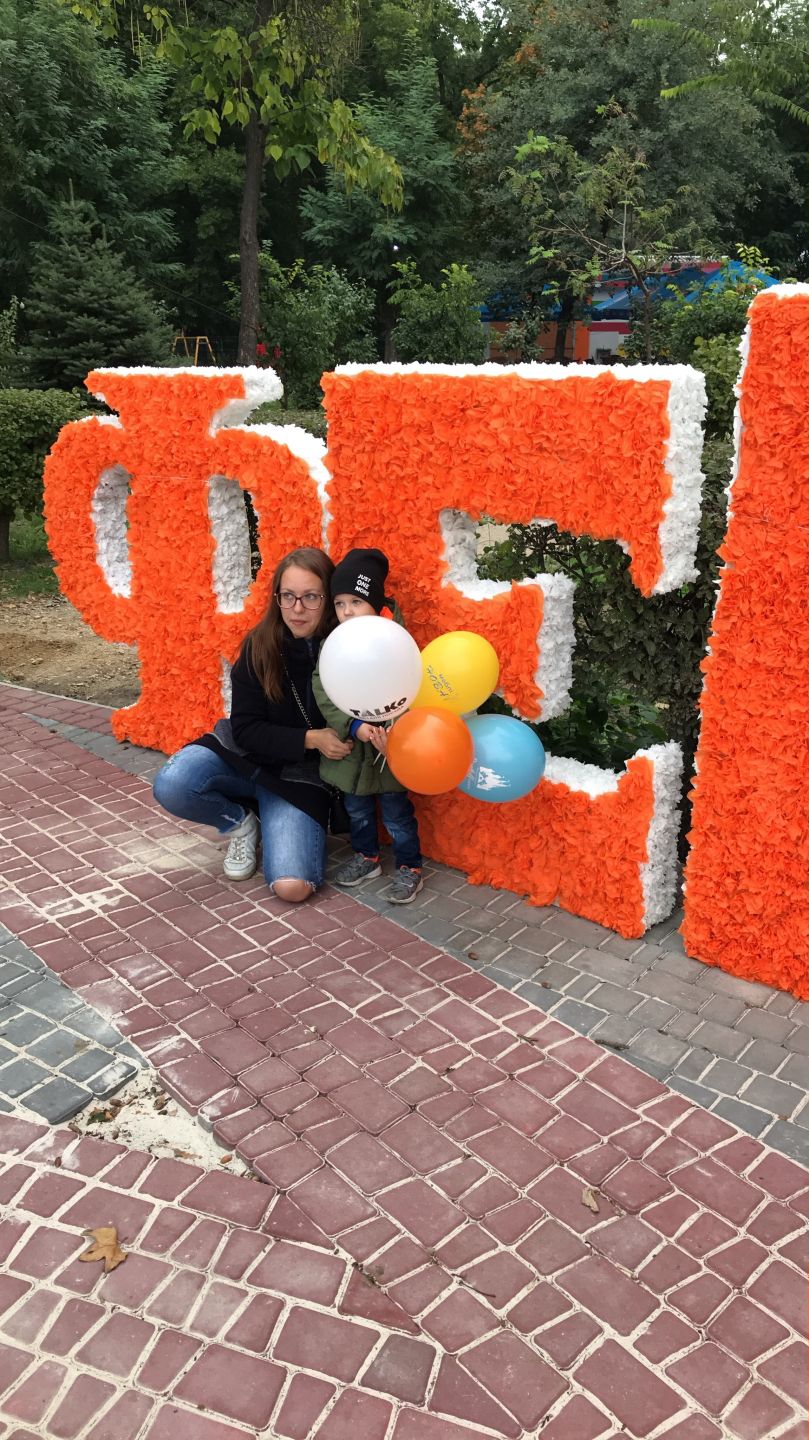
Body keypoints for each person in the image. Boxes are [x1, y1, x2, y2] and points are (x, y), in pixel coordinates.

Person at [153, 547, 351, 903]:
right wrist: (311, 738)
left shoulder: (346, 648)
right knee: (172, 783)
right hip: (244, 757)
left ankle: (272, 820)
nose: (297, 609)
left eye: (310, 597)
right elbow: (245, 730)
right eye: (287, 596)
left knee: (293, 887)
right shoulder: (260, 645)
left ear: (328, 599)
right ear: (277, 597)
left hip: (299, 778)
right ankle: (240, 823)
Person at [313, 547, 424, 904]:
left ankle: (409, 866)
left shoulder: (396, 641)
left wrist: (395, 733)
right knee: (357, 810)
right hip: (353, 751)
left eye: (356, 602)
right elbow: (323, 687)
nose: (347, 612)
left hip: (389, 750)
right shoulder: (335, 645)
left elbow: (412, 686)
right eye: (340, 604)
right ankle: (367, 857)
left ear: (375, 604)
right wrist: (353, 724)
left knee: (397, 814)